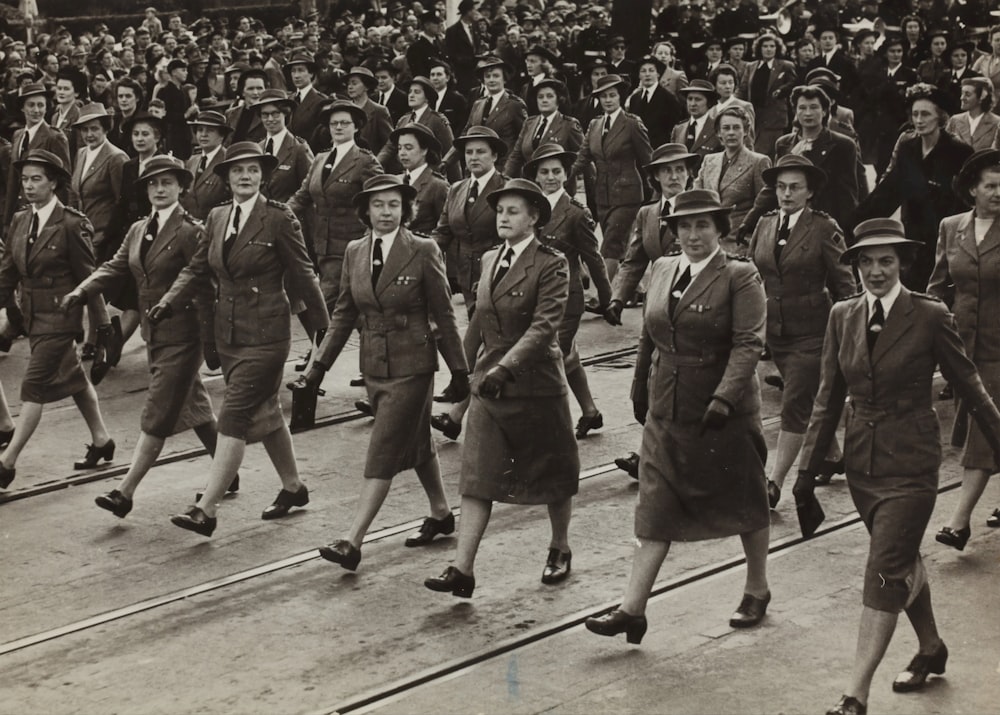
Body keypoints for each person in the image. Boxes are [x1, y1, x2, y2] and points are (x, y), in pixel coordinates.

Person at [797, 218, 1000, 715]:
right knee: (901, 562)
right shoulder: (842, 315)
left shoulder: (929, 315)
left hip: (911, 462)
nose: (876, 270)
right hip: (863, 465)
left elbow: (969, 385)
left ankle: (854, 694)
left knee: (883, 570)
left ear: (903, 263)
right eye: (866, 261)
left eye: (886, 260)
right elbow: (827, 398)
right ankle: (931, 648)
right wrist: (805, 473)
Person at [585, 189, 771, 644]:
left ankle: (757, 587)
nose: (692, 235)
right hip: (667, 407)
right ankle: (633, 608)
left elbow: (749, 344)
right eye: (684, 226)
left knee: (744, 498)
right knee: (654, 504)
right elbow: (651, 333)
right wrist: (638, 388)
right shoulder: (664, 268)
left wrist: (725, 399)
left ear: (720, 230)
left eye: (702, 225)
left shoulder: (740, 276)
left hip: (720, 413)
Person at [151, 142, 329, 536]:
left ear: (263, 175)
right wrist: (168, 301)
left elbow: (304, 274)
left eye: (252, 170)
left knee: (233, 416)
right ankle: (294, 487)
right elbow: (197, 269)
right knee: (267, 412)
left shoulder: (279, 219)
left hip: (267, 336)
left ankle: (207, 509)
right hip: (228, 334)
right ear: (226, 178)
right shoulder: (215, 217)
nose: (245, 177)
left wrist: (324, 332)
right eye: (237, 171)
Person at [300, 175, 469, 570]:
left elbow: (443, 314)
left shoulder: (424, 250)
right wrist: (318, 367)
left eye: (394, 205)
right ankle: (442, 513)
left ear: (405, 209)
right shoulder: (355, 252)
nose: (387, 213)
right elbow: (343, 315)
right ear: (366, 211)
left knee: (384, 448)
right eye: (379, 205)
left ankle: (352, 540)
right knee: (417, 440)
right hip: (374, 365)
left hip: (414, 366)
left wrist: (459, 370)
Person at [424, 178, 578, 597]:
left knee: (553, 473)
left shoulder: (552, 263)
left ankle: (560, 546)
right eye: (500, 211)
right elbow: (478, 319)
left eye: (514, 211)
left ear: (534, 218)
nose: (504, 218)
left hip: (535, 385)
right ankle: (462, 568)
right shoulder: (491, 259)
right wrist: (461, 370)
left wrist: (504, 369)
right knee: (478, 476)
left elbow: (544, 327)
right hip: (489, 386)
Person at [64, 155, 232, 516]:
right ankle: (227, 471)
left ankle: (124, 492)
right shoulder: (139, 228)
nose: (159, 189)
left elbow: (204, 284)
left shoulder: (192, 230)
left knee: (157, 411)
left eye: (167, 183)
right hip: (154, 334)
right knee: (195, 405)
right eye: (153, 184)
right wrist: (83, 290)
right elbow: (115, 266)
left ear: (181, 187)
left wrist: (210, 340)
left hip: (185, 336)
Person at [0, 150, 116, 490]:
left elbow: (89, 280)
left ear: (53, 183)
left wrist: (102, 327)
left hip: (62, 317)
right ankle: (101, 439)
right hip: (33, 318)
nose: (30, 185)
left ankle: (7, 463)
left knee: (33, 387)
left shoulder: (71, 223)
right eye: (25, 179)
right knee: (76, 380)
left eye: (37, 178)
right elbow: (7, 273)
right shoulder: (21, 220)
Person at [747, 155, 856, 507]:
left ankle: (774, 482)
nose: (786, 194)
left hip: (814, 333)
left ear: (810, 192)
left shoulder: (823, 227)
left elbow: (846, 285)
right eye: (781, 187)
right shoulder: (765, 225)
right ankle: (833, 455)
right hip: (775, 332)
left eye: (795, 187)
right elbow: (752, 276)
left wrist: (847, 333)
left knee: (795, 403)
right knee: (805, 400)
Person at [604, 143, 702, 479]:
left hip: (696, 311)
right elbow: (633, 259)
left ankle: (656, 457)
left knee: (683, 385)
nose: (674, 176)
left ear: (690, 174)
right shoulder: (647, 214)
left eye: (680, 170)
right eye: (666, 171)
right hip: (658, 312)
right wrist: (617, 297)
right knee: (646, 382)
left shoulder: (702, 206)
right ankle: (655, 452)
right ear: (656, 177)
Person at [930, 150, 1000, 548]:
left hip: (998, 347)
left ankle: (959, 523)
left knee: (982, 427)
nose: (997, 192)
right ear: (973, 188)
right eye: (990, 185)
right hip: (961, 348)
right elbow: (938, 285)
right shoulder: (950, 227)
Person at [527, 142, 612, 439]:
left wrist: (607, 299)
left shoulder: (576, 212)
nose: (551, 177)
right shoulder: (531, 207)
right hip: (535, 297)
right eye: (545, 172)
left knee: (550, 360)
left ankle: (550, 426)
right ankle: (590, 412)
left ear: (565, 175)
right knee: (566, 355)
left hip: (567, 299)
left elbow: (594, 257)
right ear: (536, 176)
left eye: (556, 172)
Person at [855, 83, 973, 290]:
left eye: (925, 114)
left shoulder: (958, 152)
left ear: (940, 117)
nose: (919, 120)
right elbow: (886, 195)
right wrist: (854, 225)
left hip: (946, 243)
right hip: (912, 240)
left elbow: (967, 203)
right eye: (915, 114)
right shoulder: (908, 148)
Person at [287, 99, 382, 313]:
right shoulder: (320, 159)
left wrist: (371, 237)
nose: (338, 127)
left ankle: (320, 346)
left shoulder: (365, 161)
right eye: (334, 123)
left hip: (351, 243)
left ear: (356, 127)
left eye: (344, 123)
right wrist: (276, 214)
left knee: (326, 303)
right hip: (322, 244)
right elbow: (302, 197)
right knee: (351, 307)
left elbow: (378, 201)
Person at [571, 73, 653, 284]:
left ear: (620, 97)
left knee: (611, 243)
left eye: (612, 95)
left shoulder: (632, 124)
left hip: (628, 193)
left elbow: (648, 159)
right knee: (619, 245)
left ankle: (603, 297)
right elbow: (583, 157)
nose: (608, 100)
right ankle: (633, 289)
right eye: (603, 96)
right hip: (602, 194)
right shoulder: (595, 124)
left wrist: (657, 189)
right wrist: (563, 178)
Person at [430, 125, 507, 319]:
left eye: (481, 152)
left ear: (494, 156)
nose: (473, 157)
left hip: (499, 276)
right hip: (466, 276)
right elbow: (443, 232)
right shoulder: (457, 189)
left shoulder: (506, 188)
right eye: (469, 152)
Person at [693, 105, 769, 251]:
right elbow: (697, 197)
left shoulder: (758, 162)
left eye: (736, 128)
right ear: (719, 133)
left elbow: (764, 207)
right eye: (726, 128)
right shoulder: (710, 161)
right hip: (708, 242)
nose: (731, 133)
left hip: (740, 243)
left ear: (745, 131)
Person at [4, 83, 71, 226]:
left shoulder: (54, 137)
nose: (36, 110)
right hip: (20, 216)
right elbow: (12, 182)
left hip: (45, 215)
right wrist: (7, 221)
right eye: (31, 105)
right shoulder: (18, 135)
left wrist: (57, 222)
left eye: (41, 105)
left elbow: (64, 183)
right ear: (22, 108)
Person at [505, 79, 584, 179]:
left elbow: (582, 157)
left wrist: (566, 175)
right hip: (531, 185)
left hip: (557, 185)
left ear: (558, 99)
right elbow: (516, 156)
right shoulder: (529, 123)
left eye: (550, 96)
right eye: (540, 97)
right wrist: (504, 178)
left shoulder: (569, 124)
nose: (544, 100)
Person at [738, 33, 797, 156]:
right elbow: (743, 89)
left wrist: (782, 90)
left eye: (772, 46)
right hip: (754, 117)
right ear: (760, 48)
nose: (769, 49)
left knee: (770, 153)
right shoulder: (751, 66)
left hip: (774, 119)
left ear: (777, 48)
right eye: (765, 46)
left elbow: (793, 83)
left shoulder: (785, 65)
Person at [254, 89, 314, 203]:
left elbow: (309, 190)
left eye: (275, 113)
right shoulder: (257, 148)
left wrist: (288, 210)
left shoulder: (299, 148)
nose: (270, 119)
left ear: (285, 114)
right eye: (265, 115)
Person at [625, 55, 684, 151]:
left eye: (651, 70)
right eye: (643, 71)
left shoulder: (669, 98)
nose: (647, 74)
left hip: (660, 151)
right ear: (639, 75)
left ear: (658, 74)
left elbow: (674, 130)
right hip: (638, 151)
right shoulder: (635, 98)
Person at [181, 110, 230, 220]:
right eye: (200, 130)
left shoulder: (228, 161)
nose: (203, 134)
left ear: (222, 135)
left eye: (210, 130)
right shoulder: (192, 160)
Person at [945, 76, 1000, 150]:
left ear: (982, 97)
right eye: (962, 93)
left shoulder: (997, 123)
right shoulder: (954, 120)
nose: (962, 98)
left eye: (967, 94)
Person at [670, 79, 721, 157]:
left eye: (698, 99)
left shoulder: (717, 129)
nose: (692, 104)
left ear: (709, 102)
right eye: (690, 99)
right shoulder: (678, 129)